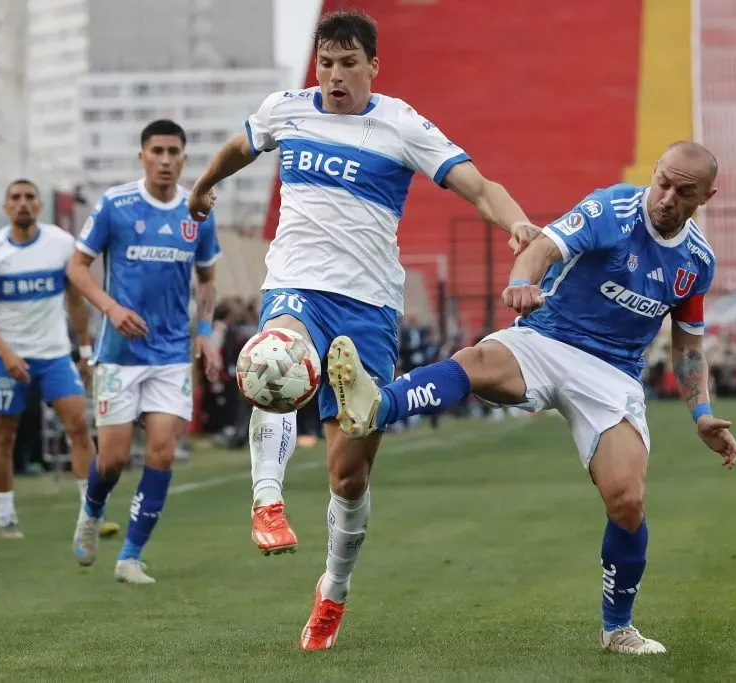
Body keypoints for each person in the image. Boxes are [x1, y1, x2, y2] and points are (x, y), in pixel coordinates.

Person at [187, 9, 542, 648]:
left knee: (348, 475)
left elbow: (478, 185)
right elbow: (244, 143)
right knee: (273, 359)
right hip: (295, 285)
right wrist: (204, 186)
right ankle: (267, 500)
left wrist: (515, 223)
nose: (334, 76)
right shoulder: (287, 109)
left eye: (349, 63)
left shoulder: (401, 124)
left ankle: (334, 589)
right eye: (326, 62)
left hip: (369, 309)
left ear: (373, 66)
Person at [327, 141, 736, 654]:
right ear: (654, 173)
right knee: (476, 362)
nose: (667, 198)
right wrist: (522, 283)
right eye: (663, 182)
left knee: (628, 501)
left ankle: (617, 629)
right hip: (548, 337)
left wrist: (701, 413)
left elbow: (688, 343)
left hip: (612, 375)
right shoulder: (610, 208)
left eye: (684, 192)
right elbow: (544, 247)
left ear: (708, 196)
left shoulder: (696, 262)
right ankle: (377, 406)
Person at [68, 119, 221, 584]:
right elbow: (77, 268)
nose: (165, 160)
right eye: (157, 151)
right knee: (112, 459)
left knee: (161, 452)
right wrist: (111, 309)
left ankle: (130, 557)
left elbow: (208, 280)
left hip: (172, 353)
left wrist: (205, 332)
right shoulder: (116, 205)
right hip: (120, 354)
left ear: (184, 158)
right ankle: (91, 512)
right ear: (142, 156)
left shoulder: (198, 212)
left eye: (174, 151)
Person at [0, 179, 118, 539]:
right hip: (9, 358)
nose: (23, 203)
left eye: (29, 197)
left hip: (53, 355)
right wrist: (7, 354)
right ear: (6, 207)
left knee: (79, 428)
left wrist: (84, 350)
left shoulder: (60, 244)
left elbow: (75, 301)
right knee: (4, 437)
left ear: (38, 205)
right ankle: (6, 518)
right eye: (15, 198)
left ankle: (90, 516)